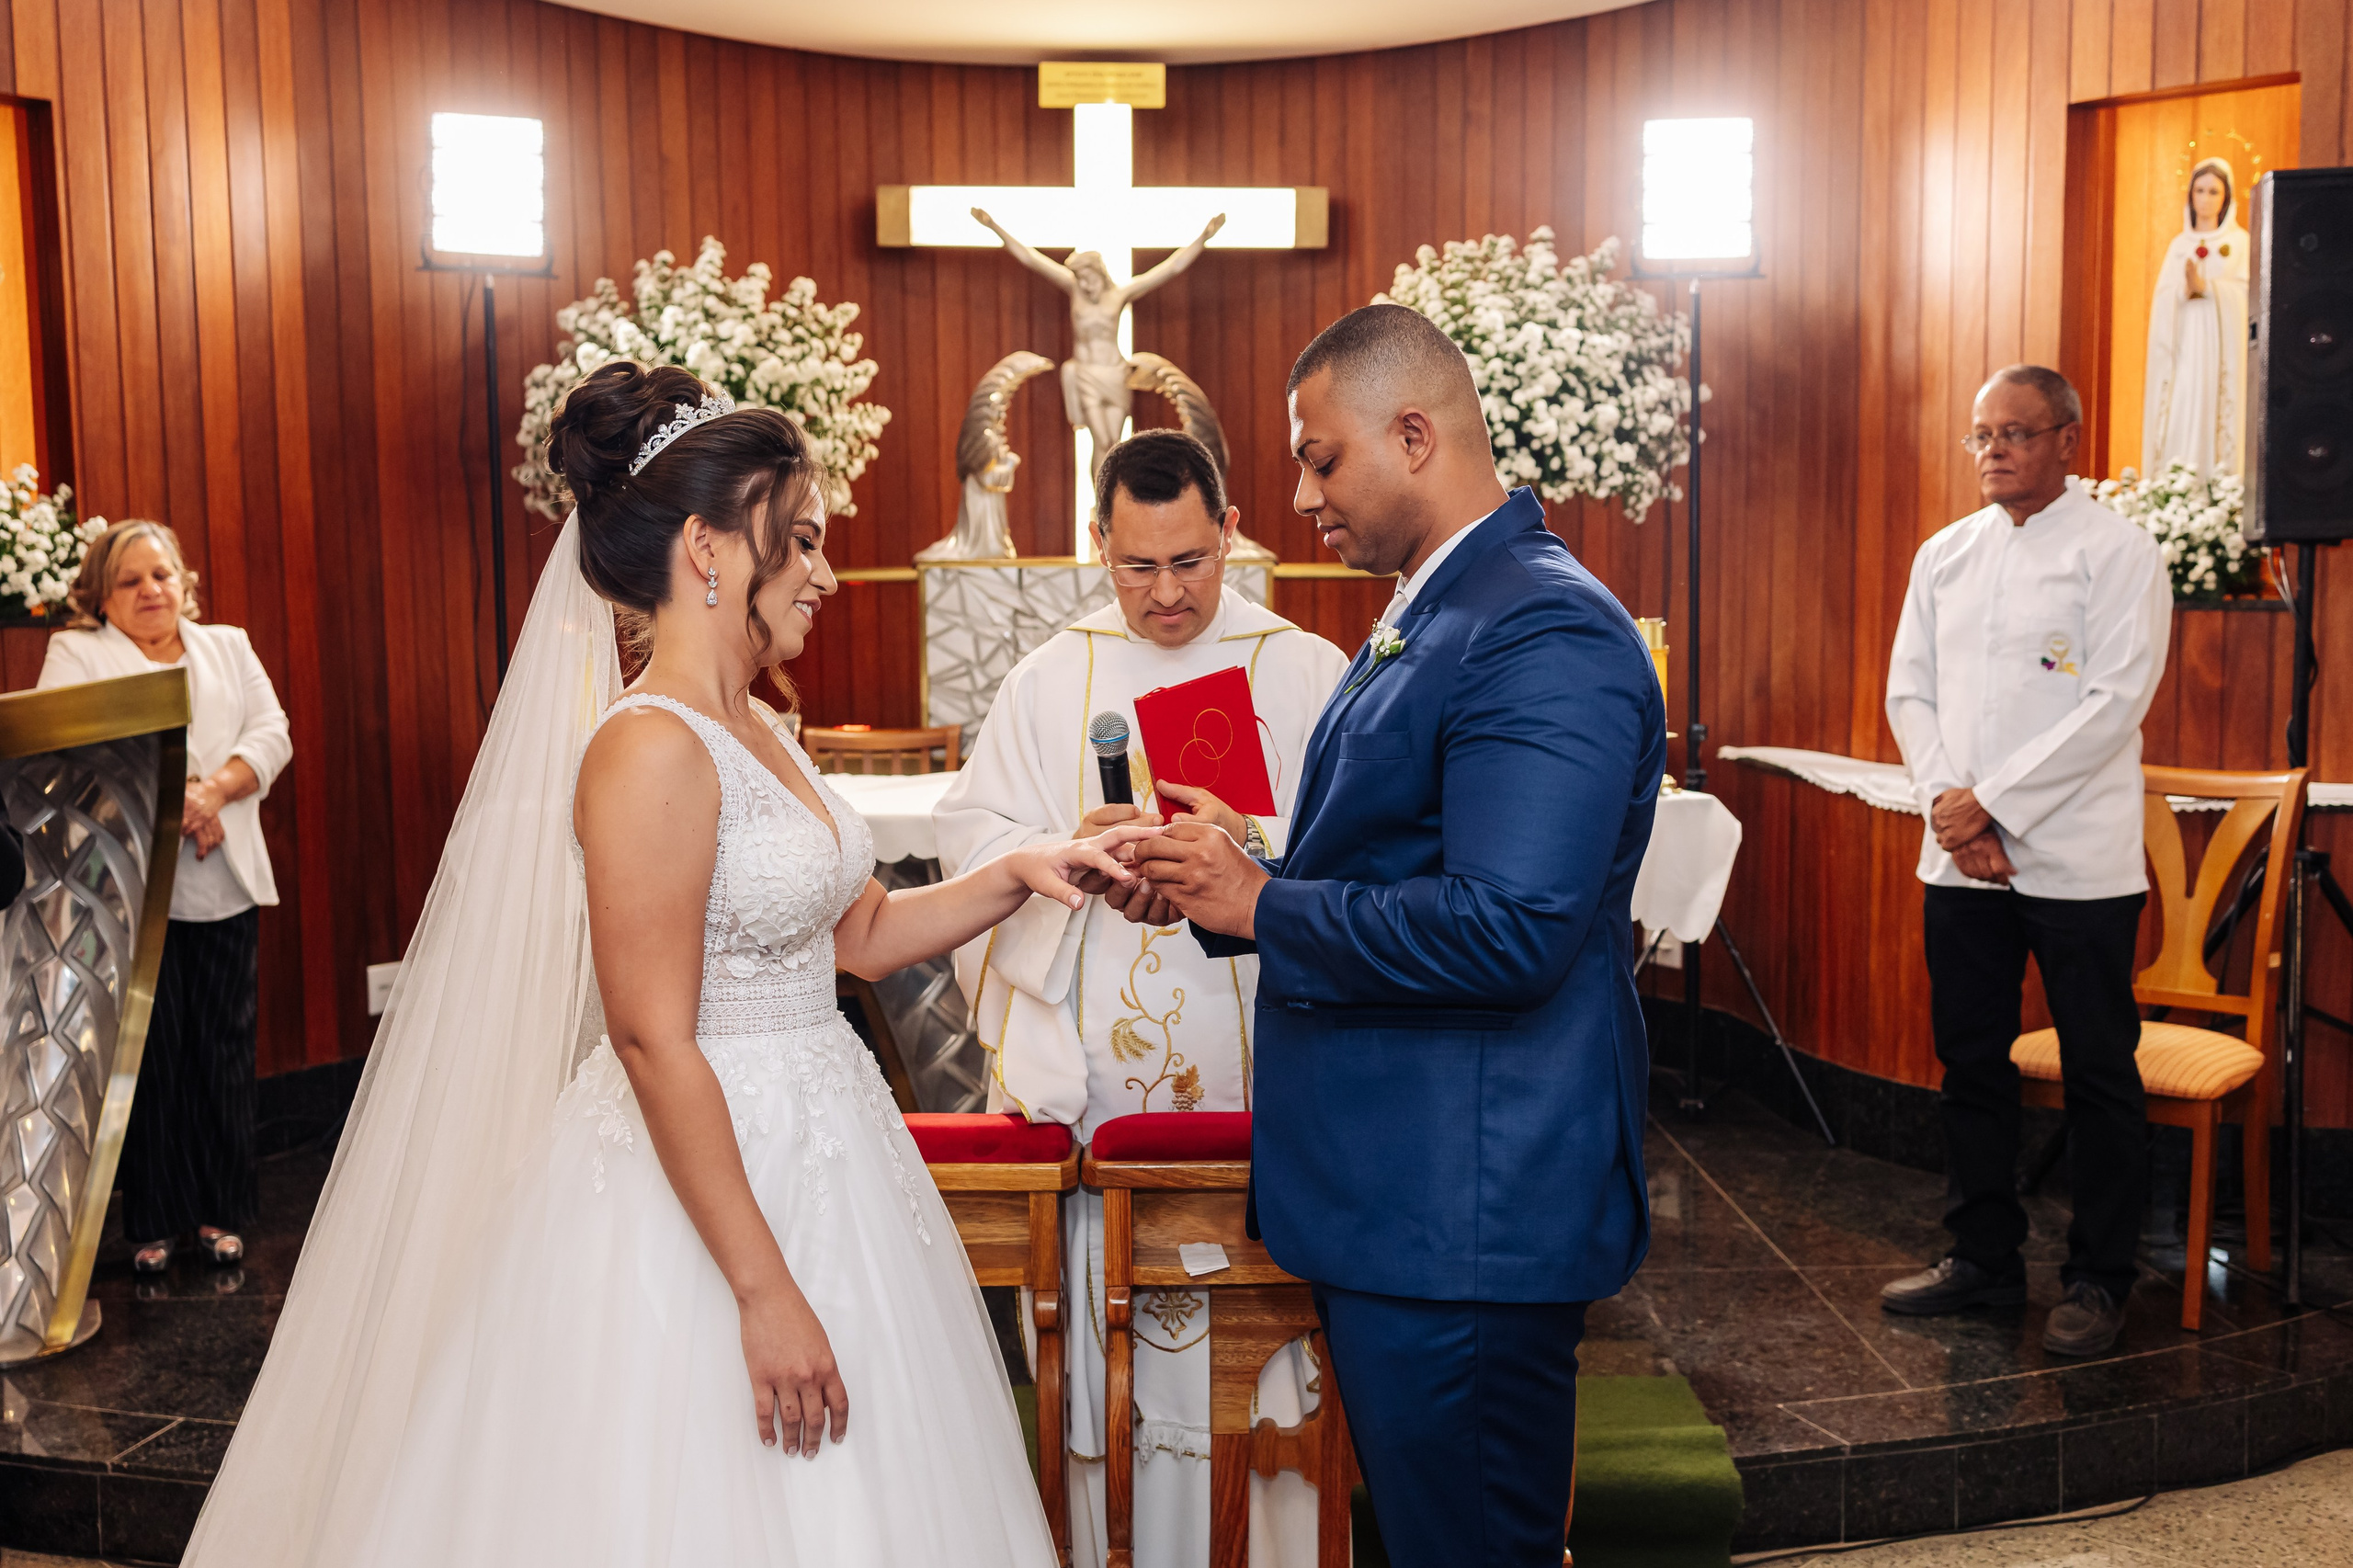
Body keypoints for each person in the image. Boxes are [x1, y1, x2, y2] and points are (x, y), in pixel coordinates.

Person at [181, 361, 1158, 1566]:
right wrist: (760, 1287)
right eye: (797, 541)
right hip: (706, 1179)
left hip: (827, 1144)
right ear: (708, 547)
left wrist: (1025, 868)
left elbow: (855, 937)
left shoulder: (761, 725)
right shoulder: (646, 749)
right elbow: (650, 1034)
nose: (825, 571)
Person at [1121, 304, 1665, 1568]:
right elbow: (1415, 852)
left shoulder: (1541, 625)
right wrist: (1248, 861)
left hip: (1466, 1206)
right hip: (1413, 1195)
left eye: (1322, 457)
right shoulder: (1447, 599)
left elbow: (1514, 926)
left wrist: (1264, 905)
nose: (1302, 495)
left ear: (1414, 433)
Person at [934, 427, 1348, 1568]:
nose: (1166, 595)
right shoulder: (1047, 679)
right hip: (1109, 1077)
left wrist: (1247, 847)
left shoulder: (1307, 671)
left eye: (1189, 561)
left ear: (1229, 533)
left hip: (1271, 1073)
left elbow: (1369, 861)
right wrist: (1071, 855)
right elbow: (975, 845)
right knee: (1121, 1359)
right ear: (1095, 545)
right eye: (1135, 566)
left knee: (1271, 1376)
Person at [1881, 365, 2171, 1358]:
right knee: (1970, 1062)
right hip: (1959, 860)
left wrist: (1990, 803)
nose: (1993, 451)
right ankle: (1983, 1257)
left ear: (2068, 440)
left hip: (2078, 863)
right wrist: (1955, 812)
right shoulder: (1943, 556)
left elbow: (2113, 703)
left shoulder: (2118, 552)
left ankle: (2097, 1275)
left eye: (2015, 433)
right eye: (1980, 435)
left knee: (2098, 1070)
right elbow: (1908, 693)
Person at [39, 519, 292, 1275]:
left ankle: (220, 1213)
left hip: (224, 878)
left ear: (185, 582)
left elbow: (271, 732)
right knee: (145, 1056)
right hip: (126, 885)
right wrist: (172, 801)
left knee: (220, 1047)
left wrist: (212, 792)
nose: (151, 591)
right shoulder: (77, 654)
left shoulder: (229, 645)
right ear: (101, 596)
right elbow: (65, 747)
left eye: (162, 576)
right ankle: (153, 1220)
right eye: (131, 581)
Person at [971, 206, 1223, 486]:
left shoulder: (1119, 295)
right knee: (1100, 439)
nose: (1086, 287)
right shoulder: (1073, 289)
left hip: (1114, 373)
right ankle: (1101, 501)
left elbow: (1169, 269)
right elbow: (1031, 258)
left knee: (1114, 442)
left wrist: (1204, 237)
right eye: (1081, 281)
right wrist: (993, 226)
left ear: (1099, 273)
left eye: (1089, 280)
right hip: (1086, 374)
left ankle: (1112, 500)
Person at [2142, 156, 2250, 478]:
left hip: (2222, 349)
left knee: (2216, 411)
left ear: (2226, 197)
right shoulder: (2179, 246)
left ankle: (2220, 489)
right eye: (2199, 191)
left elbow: (2249, 294)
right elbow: (2162, 298)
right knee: (2181, 407)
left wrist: (2211, 289)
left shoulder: (2240, 243)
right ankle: (2175, 485)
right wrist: (2183, 291)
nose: (2205, 199)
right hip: (2184, 346)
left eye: (2213, 191)